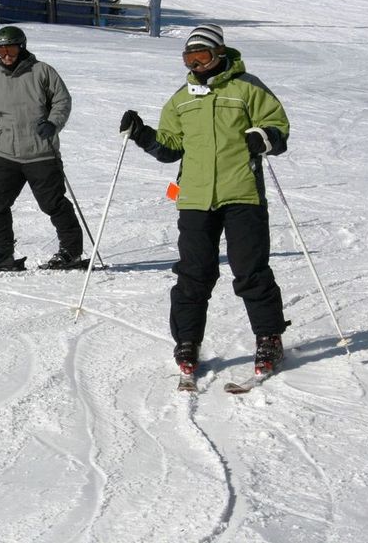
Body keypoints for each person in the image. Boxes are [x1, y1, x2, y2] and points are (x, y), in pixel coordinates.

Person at [119, 24, 291, 376]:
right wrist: (142, 134)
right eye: (189, 58)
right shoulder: (181, 99)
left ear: (220, 54)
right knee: (193, 274)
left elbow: (277, 126)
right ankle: (187, 341)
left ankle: (269, 338)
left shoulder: (247, 88)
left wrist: (265, 137)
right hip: (195, 198)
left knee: (250, 271)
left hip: (242, 193)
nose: (196, 65)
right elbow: (169, 148)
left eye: (203, 56)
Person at [0, 25, 84, 273]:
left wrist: (53, 123)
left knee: (52, 204)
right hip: (6, 156)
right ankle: (2, 254)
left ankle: (71, 252)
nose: (5, 55)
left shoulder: (42, 72)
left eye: (10, 48)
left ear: (22, 47)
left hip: (40, 153)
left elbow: (62, 100)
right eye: (0, 50)